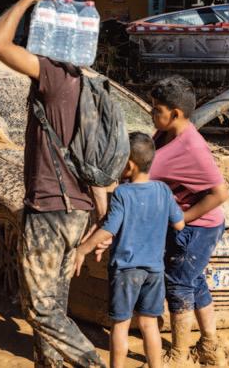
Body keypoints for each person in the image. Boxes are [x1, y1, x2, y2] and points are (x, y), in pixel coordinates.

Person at [0, 0, 107, 368]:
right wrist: (101, 217)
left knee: (39, 310)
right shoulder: (86, 83)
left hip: (50, 211)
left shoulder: (53, 74)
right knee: (53, 306)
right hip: (76, 212)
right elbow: (93, 157)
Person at [73, 132, 185, 368]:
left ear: (130, 165)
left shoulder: (122, 193)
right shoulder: (163, 190)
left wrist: (82, 249)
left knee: (120, 325)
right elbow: (179, 224)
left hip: (126, 270)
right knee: (149, 324)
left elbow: (109, 230)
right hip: (154, 270)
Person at [147, 76, 229, 366]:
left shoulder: (190, 147)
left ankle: (178, 354)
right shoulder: (166, 133)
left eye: (156, 109)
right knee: (194, 282)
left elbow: (220, 193)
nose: (151, 113)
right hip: (193, 226)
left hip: (198, 228)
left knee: (178, 285)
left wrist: (182, 218)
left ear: (175, 113)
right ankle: (210, 346)